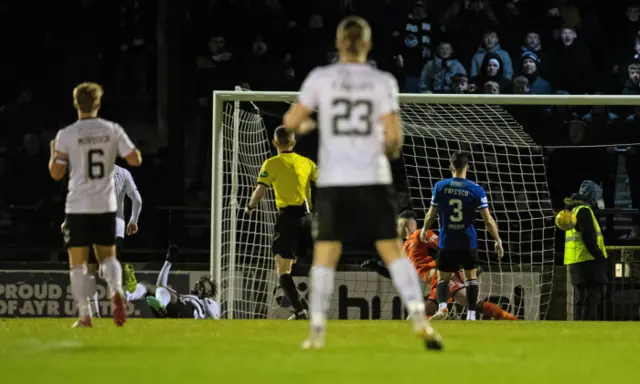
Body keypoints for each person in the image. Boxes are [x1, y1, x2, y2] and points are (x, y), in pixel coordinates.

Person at [282, 15, 442, 350]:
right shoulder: (382, 81)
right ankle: (420, 322)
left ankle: (316, 331)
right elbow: (395, 140)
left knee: (326, 254)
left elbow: (292, 121)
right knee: (394, 252)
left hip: (335, 180)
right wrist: (378, 145)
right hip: (372, 178)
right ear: (367, 45)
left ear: (339, 44)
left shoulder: (321, 78)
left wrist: (313, 128)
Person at [48, 82, 142, 328]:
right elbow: (135, 159)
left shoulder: (66, 134)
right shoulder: (112, 130)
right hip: (106, 204)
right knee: (108, 258)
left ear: (76, 103)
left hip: (78, 204)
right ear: (98, 104)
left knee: (78, 264)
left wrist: (53, 155)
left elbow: (56, 174)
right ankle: (116, 292)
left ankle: (85, 316)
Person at [363, 211, 517, 320]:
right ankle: (507, 318)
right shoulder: (405, 247)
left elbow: (444, 246)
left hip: (442, 277)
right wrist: (378, 268)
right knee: (472, 304)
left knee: (417, 315)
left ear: (403, 223)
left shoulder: (420, 234)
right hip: (438, 282)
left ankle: (505, 318)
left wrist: (461, 265)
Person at [421, 151, 503, 321]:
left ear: (451, 167)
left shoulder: (440, 186)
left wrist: (424, 230)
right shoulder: (476, 189)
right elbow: (488, 220)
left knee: (443, 278)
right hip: (467, 241)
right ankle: (471, 314)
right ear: (467, 167)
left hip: (447, 240)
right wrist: (497, 240)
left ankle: (443, 307)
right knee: (470, 278)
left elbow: (431, 214)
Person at [245, 126, 316, 320]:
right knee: (293, 265)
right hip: (307, 219)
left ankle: (300, 311)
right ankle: (302, 307)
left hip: (288, 218)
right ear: (293, 143)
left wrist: (249, 207)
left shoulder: (272, 163)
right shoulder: (307, 162)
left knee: (282, 269)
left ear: (275, 143)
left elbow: (260, 191)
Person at [61, 164, 142, 317]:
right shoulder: (124, 173)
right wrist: (133, 220)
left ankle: (96, 313)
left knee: (90, 271)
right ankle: (123, 275)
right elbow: (137, 200)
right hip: (116, 225)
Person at [124, 245, 220, 319]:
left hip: (188, 315)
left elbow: (213, 319)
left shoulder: (211, 303)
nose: (197, 285)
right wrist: (168, 261)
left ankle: (160, 305)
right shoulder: (188, 297)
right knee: (148, 285)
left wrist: (202, 299)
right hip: (172, 310)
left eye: (201, 285)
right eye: (198, 283)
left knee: (172, 295)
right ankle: (128, 294)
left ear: (207, 293)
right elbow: (161, 286)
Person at [562, 181, 609, 320]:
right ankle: (588, 330)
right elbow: (588, 238)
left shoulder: (572, 210)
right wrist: (601, 258)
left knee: (580, 300)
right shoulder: (584, 210)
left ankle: (578, 330)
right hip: (588, 262)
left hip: (576, 260)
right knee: (590, 301)